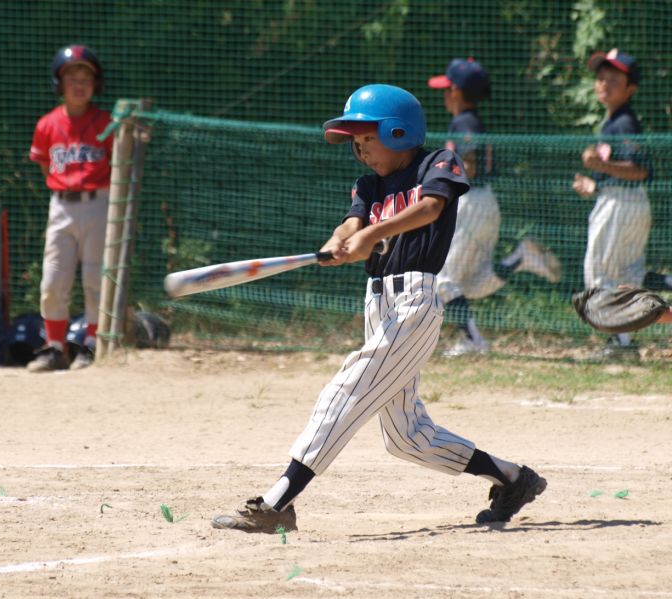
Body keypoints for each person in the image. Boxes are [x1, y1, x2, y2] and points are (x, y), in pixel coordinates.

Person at [211, 84, 547, 534]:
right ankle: (513, 479)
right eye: (355, 141)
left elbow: (430, 208)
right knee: (408, 437)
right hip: (378, 304)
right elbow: (351, 222)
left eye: (368, 137)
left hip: (414, 304)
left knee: (345, 390)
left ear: (399, 132)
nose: (360, 148)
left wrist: (371, 234)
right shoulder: (368, 185)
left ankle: (277, 503)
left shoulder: (438, 163)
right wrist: (340, 240)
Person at [428, 58, 562, 357]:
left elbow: (470, 165)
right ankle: (519, 258)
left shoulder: (464, 122)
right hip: (482, 202)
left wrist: (437, 176)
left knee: (443, 279)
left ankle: (474, 342)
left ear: (457, 91)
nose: (444, 95)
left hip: (471, 204)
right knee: (471, 284)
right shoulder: (469, 121)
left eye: (447, 89)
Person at [571, 49, 669, 359]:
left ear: (631, 88)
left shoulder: (624, 123)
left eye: (615, 79)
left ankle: (620, 345)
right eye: (601, 78)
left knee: (601, 274)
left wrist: (599, 167)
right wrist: (596, 184)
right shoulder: (614, 122)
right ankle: (624, 342)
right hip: (625, 201)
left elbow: (640, 170)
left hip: (621, 204)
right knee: (628, 274)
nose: (604, 83)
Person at [27, 44, 113, 372]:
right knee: (53, 280)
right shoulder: (47, 124)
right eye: (72, 78)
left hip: (98, 204)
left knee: (94, 278)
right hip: (61, 206)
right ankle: (54, 348)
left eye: (85, 79)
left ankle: (90, 346)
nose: (79, 85)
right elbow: (45, 167)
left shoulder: (106, 123)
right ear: (59, 84)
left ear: (96, 84)